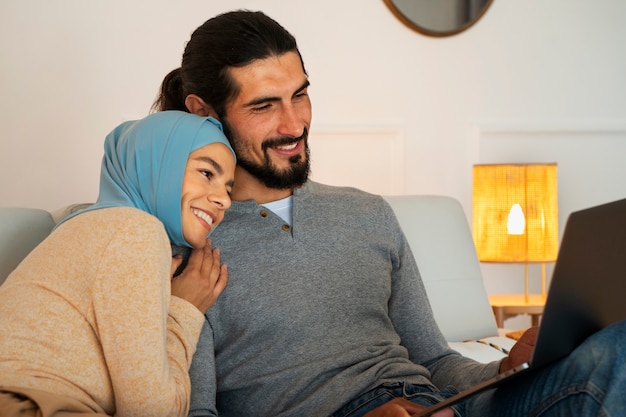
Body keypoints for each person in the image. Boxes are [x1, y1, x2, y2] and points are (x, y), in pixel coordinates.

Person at [152, 10, 626, 417]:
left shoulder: (367, 213)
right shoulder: (187, 250)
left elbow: (436, 360)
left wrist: (501, 369)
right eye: (264, 105)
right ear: (205, 112)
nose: (294, 123)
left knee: (615, 348)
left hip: (444, 404)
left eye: (299, 94)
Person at [0, 111, 236, 417]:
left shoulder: (98, 227)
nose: (224, 200)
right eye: (206, 173)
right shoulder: (134, 230)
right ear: (156, 165)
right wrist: (184, 311)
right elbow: (153, 411)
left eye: (229, 188)